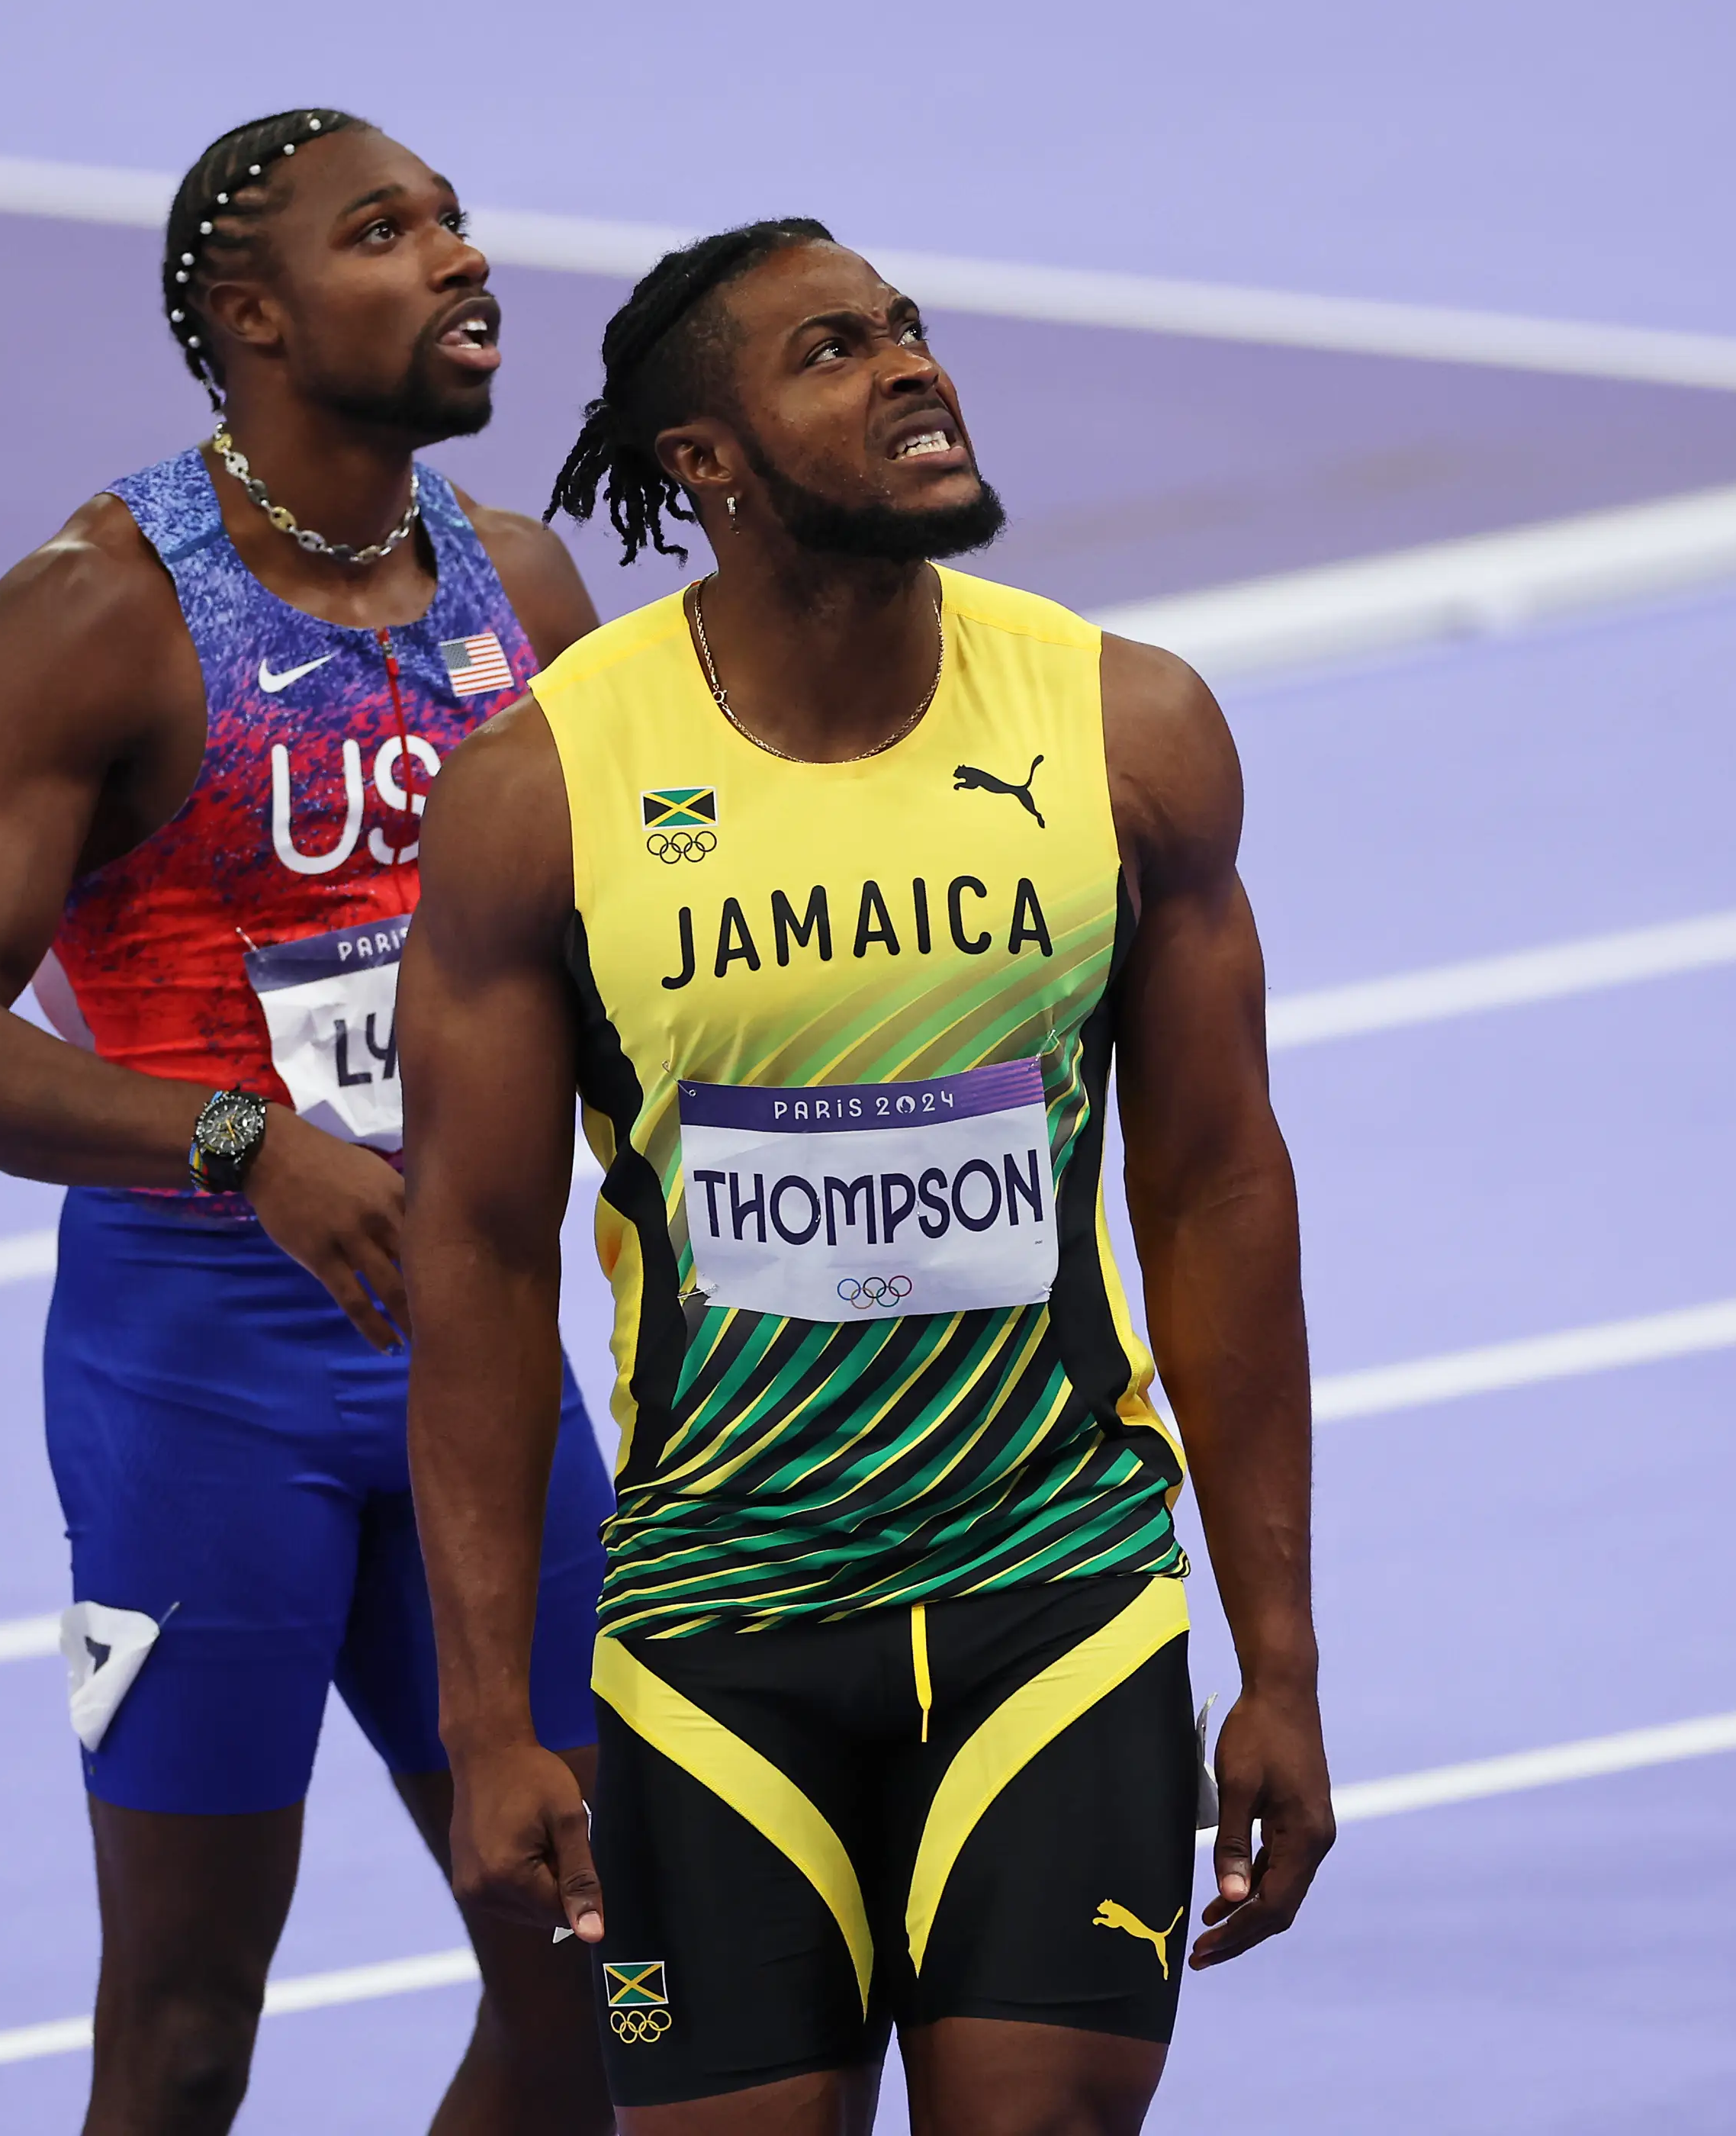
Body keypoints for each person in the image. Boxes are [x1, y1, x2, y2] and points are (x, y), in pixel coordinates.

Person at [396, 218, 1333, 2135]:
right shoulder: (544, 790)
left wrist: (1283, 1663)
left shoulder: (1124, 733)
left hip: (1054, 1591)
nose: (913, 367)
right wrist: (489, 1717)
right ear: (707, 461)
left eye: (909, 329)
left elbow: (1219, 1193)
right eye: (836, 350)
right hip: (718, 1630)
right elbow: (478, 1263)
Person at [0, 108, 614, 2136]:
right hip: (203, 1385)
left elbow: (615, 964)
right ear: (254, 316)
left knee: (605, 1981)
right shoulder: (94, 615)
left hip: (481, 1366)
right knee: (188, 2029)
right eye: (391, 233)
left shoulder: (527, 592)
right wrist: (237, 1143)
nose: (461, 259)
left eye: (458, 219)